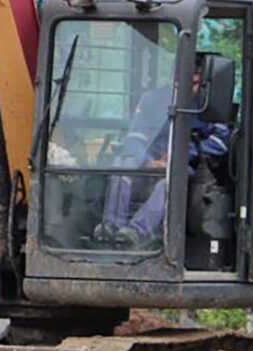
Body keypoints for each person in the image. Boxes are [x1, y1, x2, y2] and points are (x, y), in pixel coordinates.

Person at [94, 54, 231, 247]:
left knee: (169, 180)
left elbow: (220, 143)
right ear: (174, 78)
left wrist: (179, 155)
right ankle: (110, 226)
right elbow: (134, 137)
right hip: (149, 163)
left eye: (195, 83)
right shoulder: (152, 100)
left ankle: (135, 231)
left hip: (185, 165)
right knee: (122, 163)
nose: (190, 89)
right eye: (184, 82)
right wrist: (147, 161)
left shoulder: (208, 104)